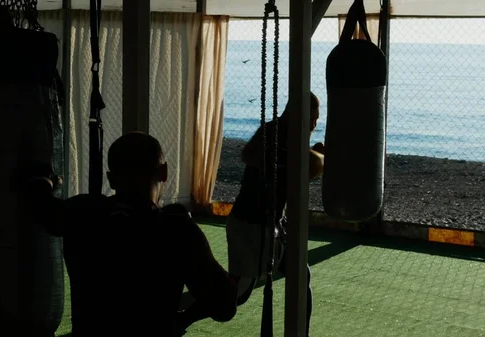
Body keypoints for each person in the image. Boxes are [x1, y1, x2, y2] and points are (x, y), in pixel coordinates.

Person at [27, 132, 237, 336]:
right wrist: (182, 319)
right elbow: (224, 308)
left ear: (110, 179)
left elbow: (41, 206)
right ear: (164, 172)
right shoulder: (176, 229)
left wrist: (44, 180)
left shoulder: (82, 212)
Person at [226, 92, 324, 336]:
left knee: (302, 275)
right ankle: (185, 316)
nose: (314, 125)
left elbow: (306, 166)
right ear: (297, 115)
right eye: (312, 119)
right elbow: (247, 155)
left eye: (316, 119)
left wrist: (311, 153)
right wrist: (283, 158)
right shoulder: (273, 132)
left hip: (274, 226)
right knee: (236, 296)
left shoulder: (293, 139)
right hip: (251, 224)